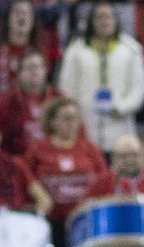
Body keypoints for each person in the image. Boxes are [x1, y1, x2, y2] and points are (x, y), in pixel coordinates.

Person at [58, 1, 144, 148]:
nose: (104, 21)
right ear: (90, 22)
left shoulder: (132, 49)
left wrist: (121, 107)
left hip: (120, 121)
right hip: (85, 121)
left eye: (108, 17)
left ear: (116, 20)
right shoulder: (75, 50)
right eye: (99, 17)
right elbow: (66, 86)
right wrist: (74, 114)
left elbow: (140, 88)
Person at [24, 95, 109, 234]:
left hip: (84, 219)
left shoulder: (90, 148)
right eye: (66, 118)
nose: (71, 123)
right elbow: (26, 179)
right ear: (52, 122)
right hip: (50, 220)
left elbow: (104, 179)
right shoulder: (38, 148)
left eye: (75, 118)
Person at [0, 50, 60, 158]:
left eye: (38, 67)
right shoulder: (7, 102)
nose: (34, 72)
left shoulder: (59, 99)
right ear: (19, 74)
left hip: (53, 161)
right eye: (29, 68)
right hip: (19, 162)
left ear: (45, 71)